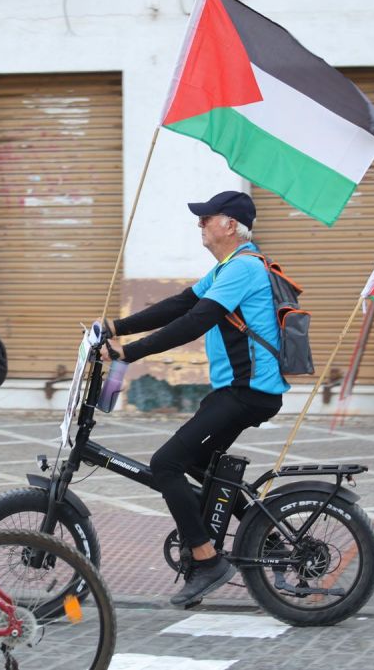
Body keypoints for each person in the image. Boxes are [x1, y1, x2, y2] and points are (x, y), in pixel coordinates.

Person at [105, 190, 289, 607]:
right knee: (200, 464)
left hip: (247, 392)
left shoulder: (244, 267)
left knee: (166, 463)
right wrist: (115, 327)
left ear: (230, 225)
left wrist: (128, 353)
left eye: (207, 218)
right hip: (237, 392)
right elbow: (180, 304)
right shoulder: (228, 267)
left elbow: (195, 321)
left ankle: (207, 561)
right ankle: (270, 539)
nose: (200, 224)